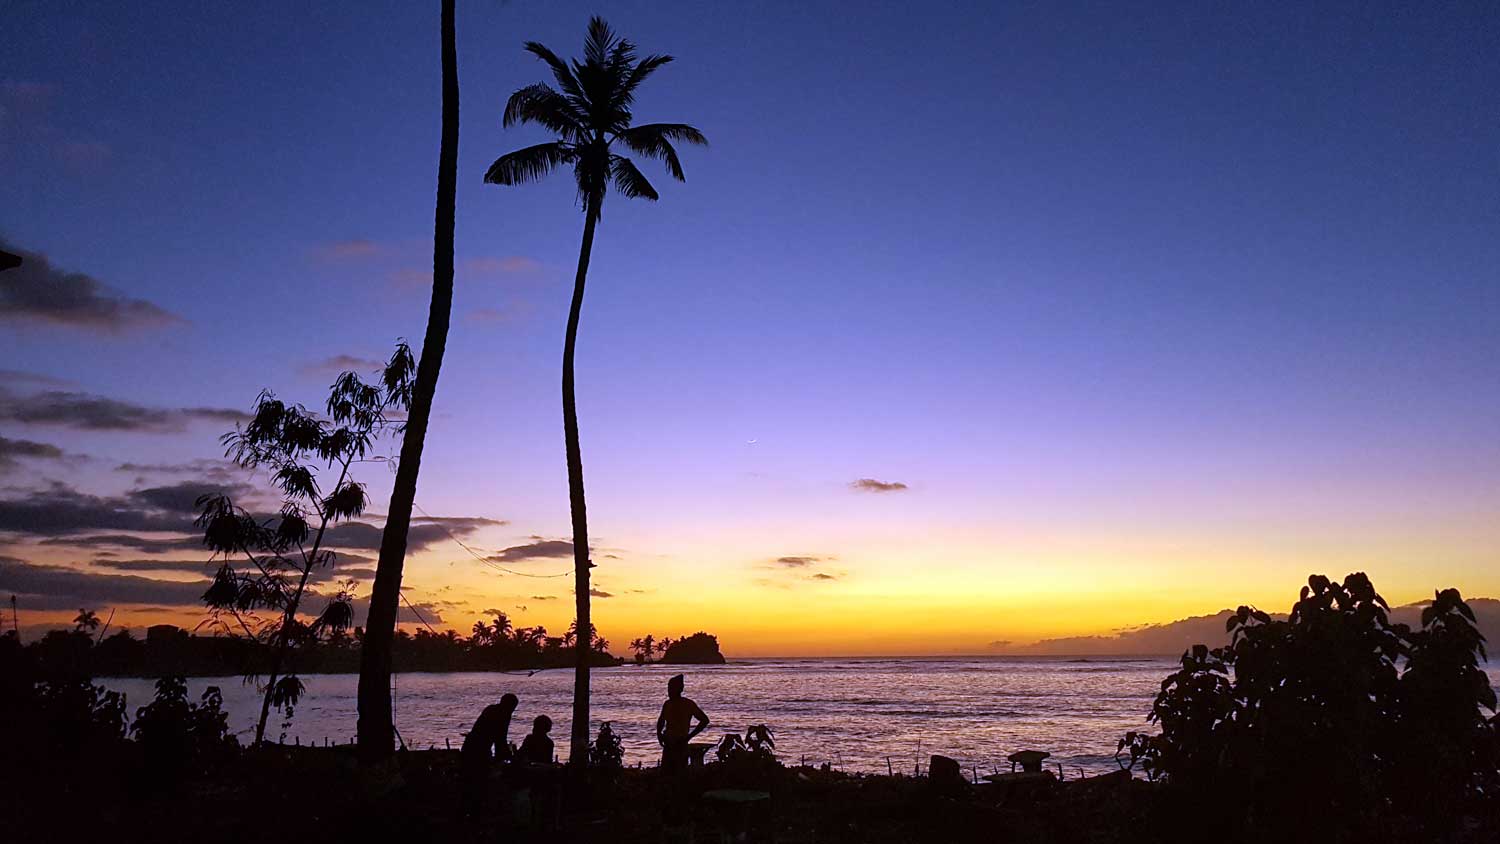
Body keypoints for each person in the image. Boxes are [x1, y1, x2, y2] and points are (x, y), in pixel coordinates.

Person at [460, 692, 517, 815]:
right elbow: (500, 739)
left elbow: (499, 740)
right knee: (479, 782)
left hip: (471, 747)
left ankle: (469, 810)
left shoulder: (491, 709)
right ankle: (477, 812)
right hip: (479, 750)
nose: (513, 711)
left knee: (470, 781)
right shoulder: (503, 714)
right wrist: (508, 758)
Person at [656, 674, 709, 773]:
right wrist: (659, 734)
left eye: (671, 688)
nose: (669, 691)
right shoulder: (667, 704)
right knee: (666, 774)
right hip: (668, 743)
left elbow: (704, 720)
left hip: (681, 743)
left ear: (679, 689)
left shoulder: (688, 704)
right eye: (668, 688)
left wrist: (689, 736)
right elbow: (661, 721)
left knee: (680, 773)